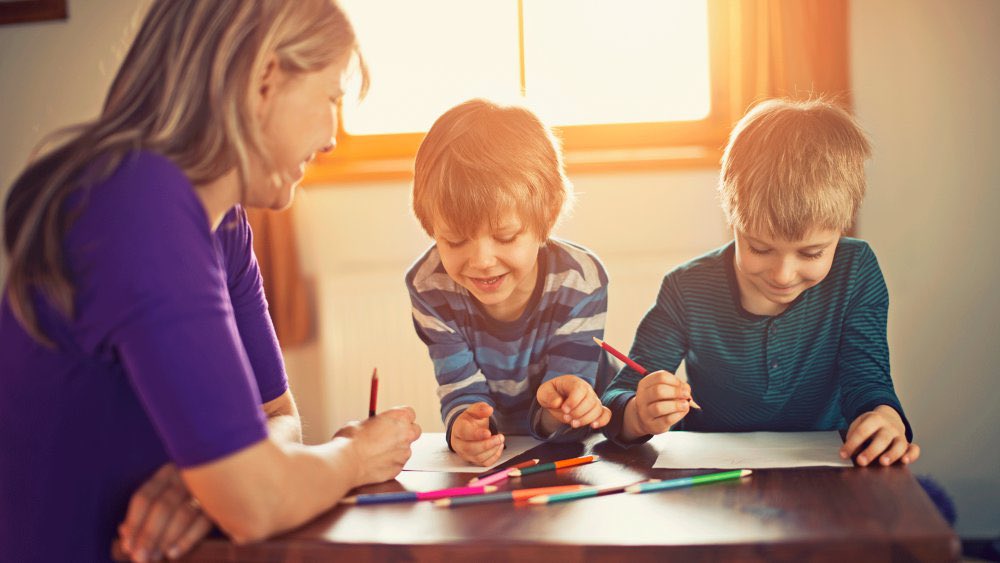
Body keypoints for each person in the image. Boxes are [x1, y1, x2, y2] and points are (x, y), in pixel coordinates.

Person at [0, 2, 420, 562]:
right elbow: (257, 505)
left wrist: (207, 481)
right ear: (264, 78)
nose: (330, 139)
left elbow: (279, 417)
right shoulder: (139, 202)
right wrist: (354, 454)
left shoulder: (222, 227)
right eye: (331, 100)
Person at [601, 99, 921, 469]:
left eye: (812, 253)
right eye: (759, 247)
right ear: (732, 219)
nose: (783, 274)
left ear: (842, 228)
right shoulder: (686, 289)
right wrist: (637, 414)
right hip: (714, 476)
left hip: (831, 471)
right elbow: (617, 397)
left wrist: (885, 417)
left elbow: (867, 381)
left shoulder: (856, 270)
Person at [405, 98, 612, 467]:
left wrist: (561, 408)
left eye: (505, 236)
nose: (482, 261)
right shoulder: (429, 286)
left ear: (545, 219)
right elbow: (460, 393)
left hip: (573, 452)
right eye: (454, 240)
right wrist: (463, 429)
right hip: (498, 458)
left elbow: (568, 408)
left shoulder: (580, 280)